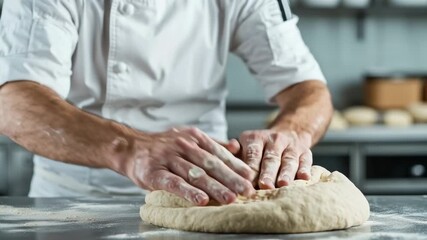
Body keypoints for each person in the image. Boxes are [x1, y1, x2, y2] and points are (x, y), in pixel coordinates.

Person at [0, 0, 333, 205]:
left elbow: (308, 89)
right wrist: (129, 148)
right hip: (77, 201)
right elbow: (14, 100)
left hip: (210, 192)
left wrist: (290, 133)